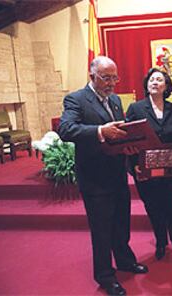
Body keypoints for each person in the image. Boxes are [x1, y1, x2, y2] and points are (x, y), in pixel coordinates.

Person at [58, 56, 148, 296]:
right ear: (92, 77)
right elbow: (66, 129)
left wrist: (128, 145)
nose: (111, 83)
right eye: (105, 78)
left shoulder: (116, 100)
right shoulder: (76, 99)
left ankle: (126, 261)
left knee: (121, 223)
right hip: (95, 178)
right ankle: (106, 276)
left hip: (117, 174)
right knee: (102, 230)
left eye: (114, 78)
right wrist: (100, 131)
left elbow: (119, 133)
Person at [125, 68, 172, 262]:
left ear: (166, 86)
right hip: (144, 169)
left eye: (159, 80)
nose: (155, 82)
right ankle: (161, 243)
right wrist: (133, 164)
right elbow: (130, 137)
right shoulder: (136, 108)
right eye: (151, 79)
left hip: (170, 169)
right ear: (147, 84)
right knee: (153, 207)